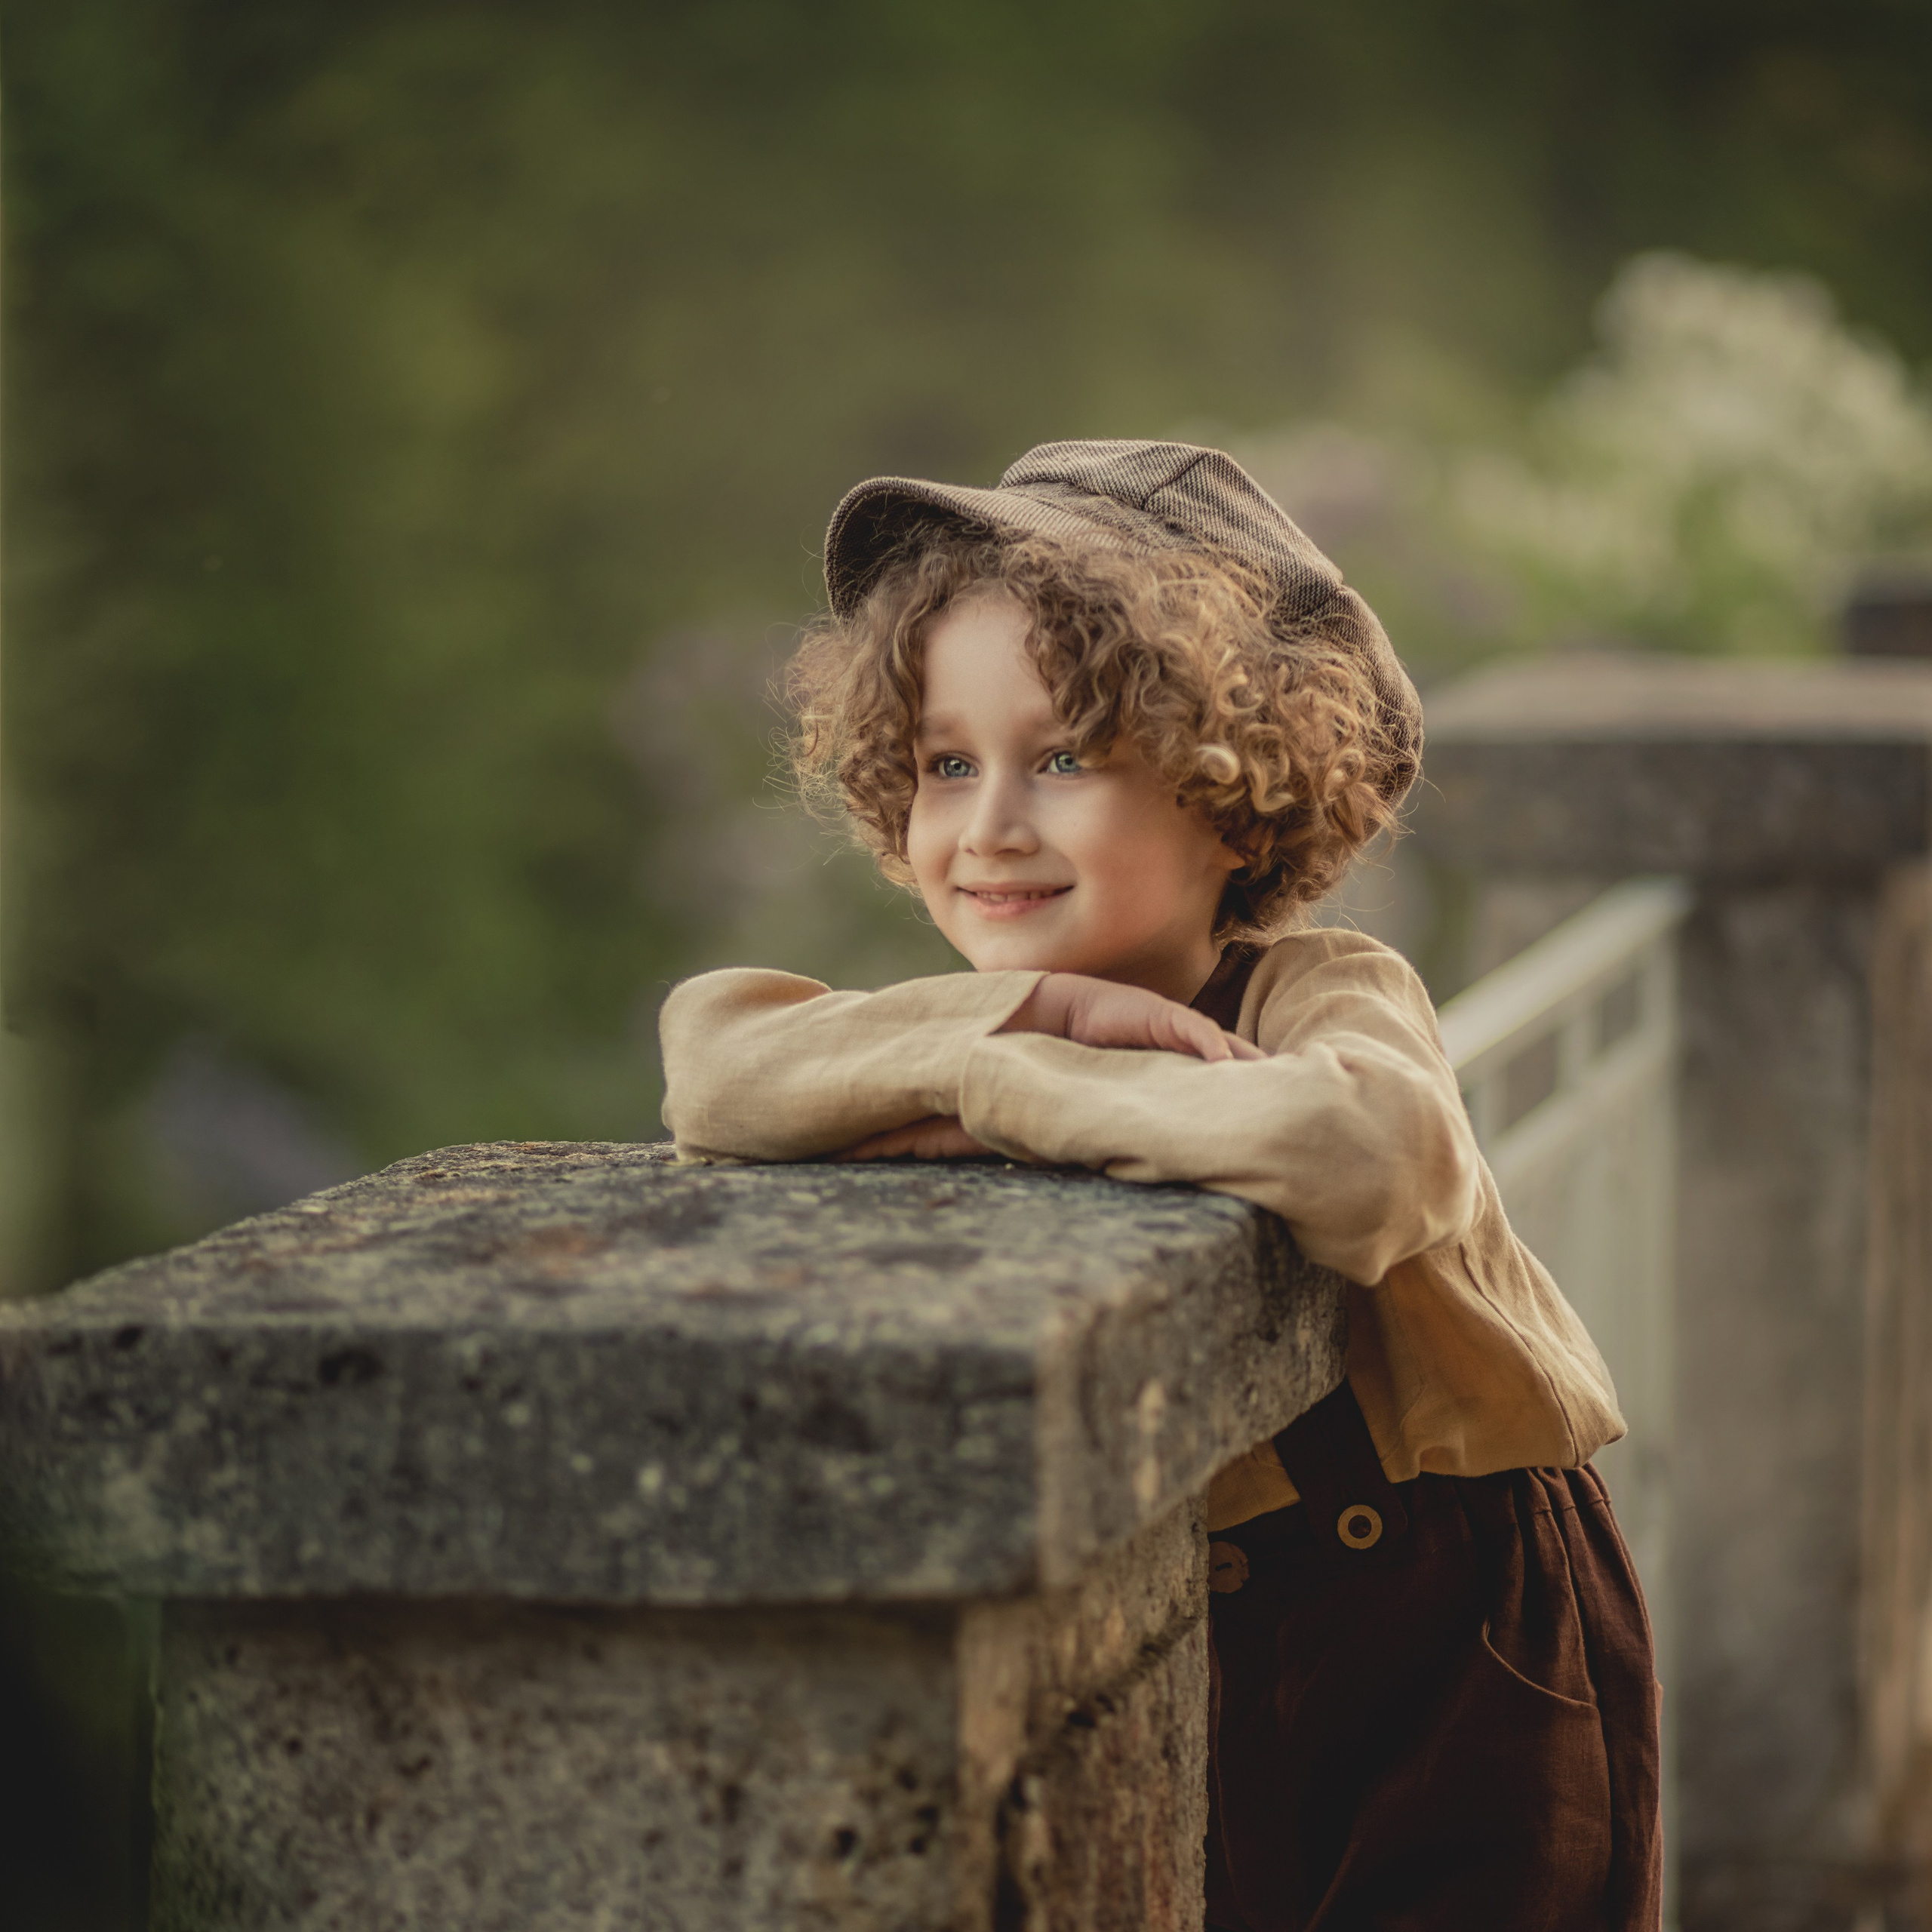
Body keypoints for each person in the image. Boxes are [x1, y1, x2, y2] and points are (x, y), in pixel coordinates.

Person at [657, 440, 1663, 1930]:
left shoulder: (1322, 989)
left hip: (1455, 1639)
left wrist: (990, 1089)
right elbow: (710, 1063)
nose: (989, 821)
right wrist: (1018, 1036)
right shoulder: (981, 1010)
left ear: (1228, 786)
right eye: (946, 761)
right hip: (1204, 1633)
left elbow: (1367, 1162)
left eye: (1060, 757)